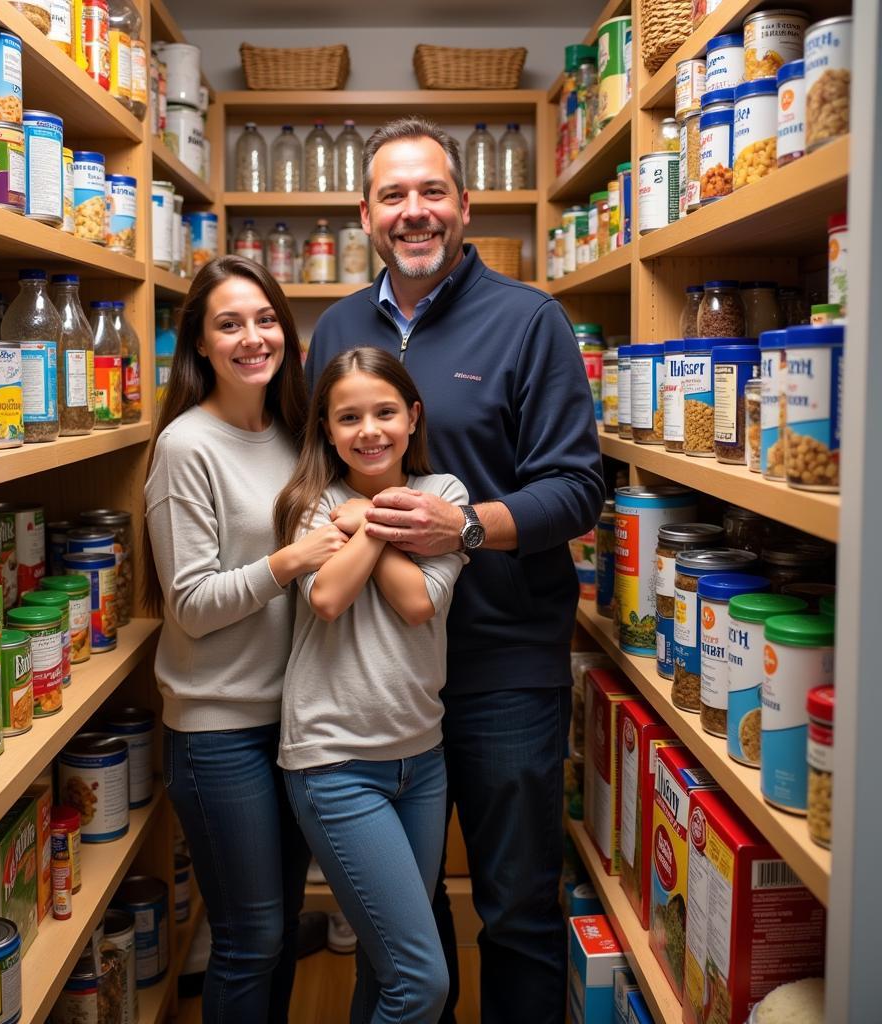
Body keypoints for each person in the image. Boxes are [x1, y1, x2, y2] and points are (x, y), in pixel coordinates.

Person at [304, 118, 605, 1024]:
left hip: (500, 668)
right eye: (393, 195)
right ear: (366, 213)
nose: (414, 212)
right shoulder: (338, 329)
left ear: (465, 206)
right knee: (406, 922)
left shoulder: (529, 319)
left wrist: (464, 526)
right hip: (383, 680)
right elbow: (319, 479)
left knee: (515, 908)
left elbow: (578, 490)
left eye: (432, 192)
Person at [143, 255, 348, 1023]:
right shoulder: (185, 447)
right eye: (229, 324)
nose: (252, 337)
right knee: (249, 936)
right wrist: (291, 558)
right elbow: (189, 605)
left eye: (265, 320)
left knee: (280, 923)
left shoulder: (298, 434)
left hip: (297, 723)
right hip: (218, 730)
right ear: (199, 343)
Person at [273, 346, 468, 1024]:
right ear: (326, 429)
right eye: (348, 417)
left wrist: (363, 519)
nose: (369, 430)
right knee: (422, 983)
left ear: (413, 417)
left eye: (385, 412)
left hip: (423, 761)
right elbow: (328, 595)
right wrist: (382, 517)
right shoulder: (309, 503)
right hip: (335, 765)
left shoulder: (445, 496)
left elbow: (418, 602)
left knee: (387, 972)